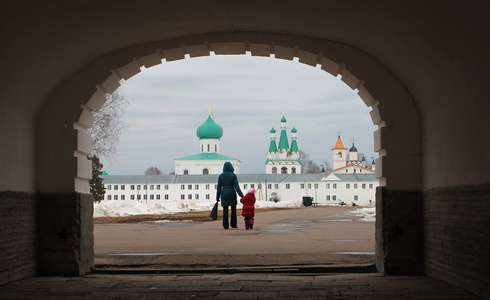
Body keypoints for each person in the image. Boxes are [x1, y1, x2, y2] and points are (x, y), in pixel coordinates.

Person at [216, 162, 243, 229]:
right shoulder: (233, 175)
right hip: (232, 193)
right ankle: (233, 224)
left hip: (224, 194)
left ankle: (225, 225)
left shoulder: (221, 176)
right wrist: (241, 195)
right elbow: (236, 186)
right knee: (233, 209)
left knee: (225, 210)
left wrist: (217, 197)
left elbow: (219, 187)